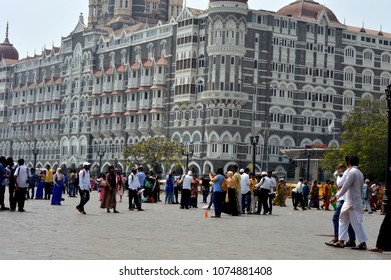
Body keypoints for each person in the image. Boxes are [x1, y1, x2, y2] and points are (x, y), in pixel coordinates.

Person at [331, 155, 368, 250]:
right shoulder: (360, 173)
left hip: (351, 202)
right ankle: (341, 241)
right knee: (343, 220)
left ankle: (361, 243)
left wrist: (336, 196)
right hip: (354, 201)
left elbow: (345, 186)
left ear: (349, 163)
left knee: (354, 222)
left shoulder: (351, 172)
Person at [326, 162, 356, 247]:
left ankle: (337, 238)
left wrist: (339, 175)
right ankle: (351, 240)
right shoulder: (350, 174)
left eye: (339, 169)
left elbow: (339, 185)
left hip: (344, 199)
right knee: (349, 220)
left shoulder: (344, 175)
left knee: (336, 218)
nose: (337, 171)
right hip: (348, 199)